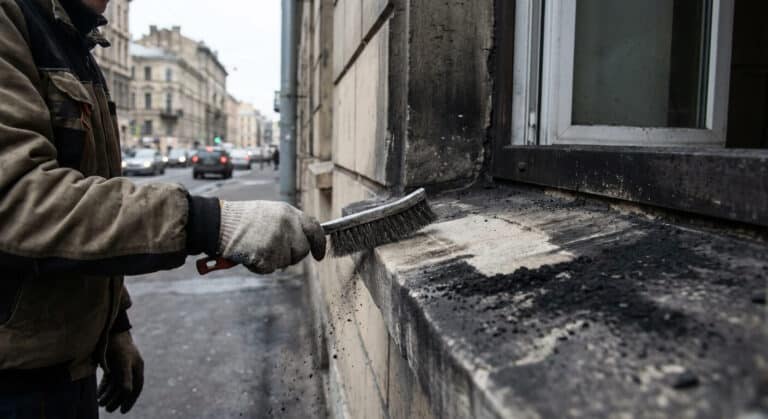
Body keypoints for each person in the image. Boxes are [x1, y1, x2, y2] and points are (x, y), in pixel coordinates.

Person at [0, 0, 326, 417]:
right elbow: (16, 202)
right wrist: (214, 223)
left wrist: (115, 325)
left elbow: (92, 200)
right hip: (12, 384)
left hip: (64, 367)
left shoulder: (73, 41)